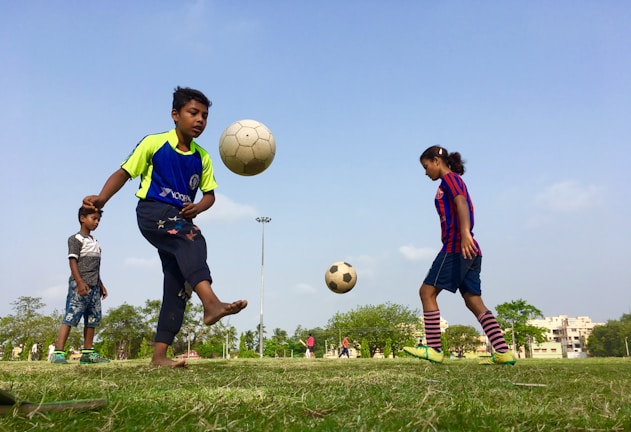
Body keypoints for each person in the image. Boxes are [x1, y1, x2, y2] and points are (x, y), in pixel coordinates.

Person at [82, 87, 247, 368]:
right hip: (153, 212)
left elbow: (209, 195)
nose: (200, 120)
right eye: (193, 113)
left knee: (177, 283)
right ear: (175, 115)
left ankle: (159, 356)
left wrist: (200, 207)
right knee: (193, 239)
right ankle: (211, 304)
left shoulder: (202, 157)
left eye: (205, 116)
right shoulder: (154, 143)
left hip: (181, 219)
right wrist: (101, 199)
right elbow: (124, 172)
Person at [403, 146, 515, 366]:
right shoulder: (449, 182)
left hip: (457, 246)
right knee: (473, 301)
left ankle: (434, 349)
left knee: (427, 292)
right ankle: (503, 352)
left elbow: (461, 201)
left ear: (437, 161)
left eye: (426, 167)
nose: (426, 173)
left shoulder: (450, 180)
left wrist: (464, 234)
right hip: (471, 250)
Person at [52, 207, 110, 365]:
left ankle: (87, 353)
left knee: (92, 319)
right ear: (82, 218)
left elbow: (95, 267)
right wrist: (79, 282)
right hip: (80, 285)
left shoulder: (95, 242)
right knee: (71, 316)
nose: (97, 222)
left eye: (99, 220)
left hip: (94, 287)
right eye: (93, 218)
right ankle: (58, 352)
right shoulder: (76, 239)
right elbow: (72, 261)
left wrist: (100, 284)